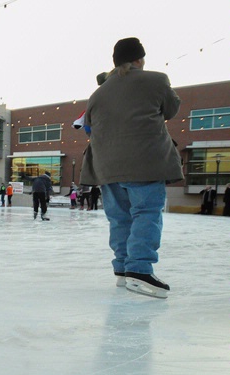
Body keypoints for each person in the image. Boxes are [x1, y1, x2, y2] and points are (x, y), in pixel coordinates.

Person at [81, 37, 182, 298]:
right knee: (146, 212)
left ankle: (124, 269)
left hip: (106, 167)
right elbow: (171, 109)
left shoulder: (98, 92)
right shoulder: (157, 80)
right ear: (139, 59)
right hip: (144, 161)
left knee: (120, 217)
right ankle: (139, 270)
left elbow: (88, 125)